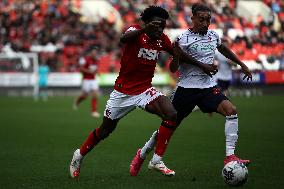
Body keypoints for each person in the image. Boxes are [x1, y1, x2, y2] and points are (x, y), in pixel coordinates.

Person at [69, 5, 216, 179]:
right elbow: (123, 39)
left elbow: (179, 54)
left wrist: (202, 65)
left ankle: (156, 159)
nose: (160, 29)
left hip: (144, 90)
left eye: (163, 25)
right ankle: (79, 155)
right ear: (147, 23)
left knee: (171, 113)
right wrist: (145, 29)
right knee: (105, 131)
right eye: (156, 25)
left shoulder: (162, 39)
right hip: (122, 93)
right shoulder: (136, 31)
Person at [130, 3, 252, 176]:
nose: (205, 22)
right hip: (186, 90)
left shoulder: (213, 35)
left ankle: (230, 156)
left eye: (208, 19)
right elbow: (173, 68)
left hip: (207, 88)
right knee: (167, 127)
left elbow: (223, 48)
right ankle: (142, 154)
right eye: (201, 19)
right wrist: (178, 57)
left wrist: (242, 64)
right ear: (192, 18)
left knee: (231, 111)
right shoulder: (182, 39)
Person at [73, 47, 101, 118]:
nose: (95, 54)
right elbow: (81, 69)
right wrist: (89, 71)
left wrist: (97, 72)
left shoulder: (97, 60)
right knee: (85, 96)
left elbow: (95, 69)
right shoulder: (85, 59)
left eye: (96, 53)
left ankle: (94, 111)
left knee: (95, 94)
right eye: (93, 53)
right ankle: (77, 101)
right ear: (91, 53)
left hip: (93, 79)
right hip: (86, 79)